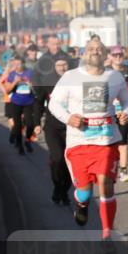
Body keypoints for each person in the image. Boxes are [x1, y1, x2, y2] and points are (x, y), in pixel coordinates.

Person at [48, 39, 128, 239]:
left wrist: (126, 112)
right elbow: (55, 105)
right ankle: (82, 203)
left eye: (99, 49)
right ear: (85, 54)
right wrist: (69, 118)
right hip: (79, 143)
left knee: (106, 184)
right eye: (91, 49)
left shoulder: (115, 77)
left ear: (105, 55)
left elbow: (127, 101)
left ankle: (107, 233)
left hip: (106, 140)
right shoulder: (71, 77)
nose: (95, 52)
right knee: (84, 190)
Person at [41, 58, 74, 205]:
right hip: (52, 127)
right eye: (59, 65)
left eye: (64, 64)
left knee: (69, 162)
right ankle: (57, 187)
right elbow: (38, 101)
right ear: (54, 67)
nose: (62, 67)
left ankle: (64, 190)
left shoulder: (75, 81)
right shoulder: (48, 81)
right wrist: (36, 122)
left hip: (71, 127)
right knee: (57, 158)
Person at [108, 46, 128, 183]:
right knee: (110, 140)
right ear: (110, 56)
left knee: (123, 139)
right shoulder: (105, 70)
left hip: (124, 108)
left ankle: (123, 170)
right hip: (109, 110)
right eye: (115, 55)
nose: (118, 57)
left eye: (120, 55)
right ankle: (110, 168)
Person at [0, 57, 36, 154]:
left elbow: (37, 87)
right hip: (16, 103)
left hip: (29, 103)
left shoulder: (30, 72)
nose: (16, 66)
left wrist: (30, 84)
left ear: (23, 64)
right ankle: (20, 145)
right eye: (15, 64)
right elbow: (7, 90)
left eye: (18, 64)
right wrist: (15, 82)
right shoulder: (12, 74)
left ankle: (28, 141)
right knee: (18, 125)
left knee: (30, 124)